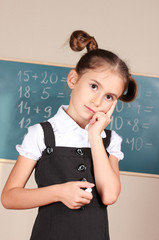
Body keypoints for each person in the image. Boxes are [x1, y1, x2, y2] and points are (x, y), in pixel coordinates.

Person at [1, 30, 138, 240]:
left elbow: (109, 195)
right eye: (93, 86)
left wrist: (94, 135)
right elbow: (9, 197)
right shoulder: (42, 134)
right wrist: (58, 192)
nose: (97, 101)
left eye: (109, 96)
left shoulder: (109, 141)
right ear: (73, 79)